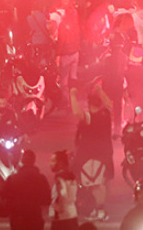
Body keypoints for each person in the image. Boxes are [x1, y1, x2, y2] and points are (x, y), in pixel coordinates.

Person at [71, 83, 114, 222]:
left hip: (92, 156)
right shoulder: (105, 114)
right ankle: (98, 209)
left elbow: (77, 113)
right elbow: (109, 104)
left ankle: (101, 210)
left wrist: (72, 96)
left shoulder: (89, 117)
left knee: (96, 184)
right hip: (105, 154)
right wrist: (101, 90)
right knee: (101, 182)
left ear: (90, 105)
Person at [0, 149, 52, 230]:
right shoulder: (41, 178)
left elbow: (3, 195)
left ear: (22, 161)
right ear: (34, 161)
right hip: (35, 217)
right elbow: (47, 199)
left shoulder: (13, 179)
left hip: (18, 217)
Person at [50, 150, 79, 230]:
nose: (50, 164)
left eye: (53, 161)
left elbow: (63, 193)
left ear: (61, 163)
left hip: (62, 218)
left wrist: (59, 206)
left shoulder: (59, 178)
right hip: (72, 214)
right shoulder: (71, 177)